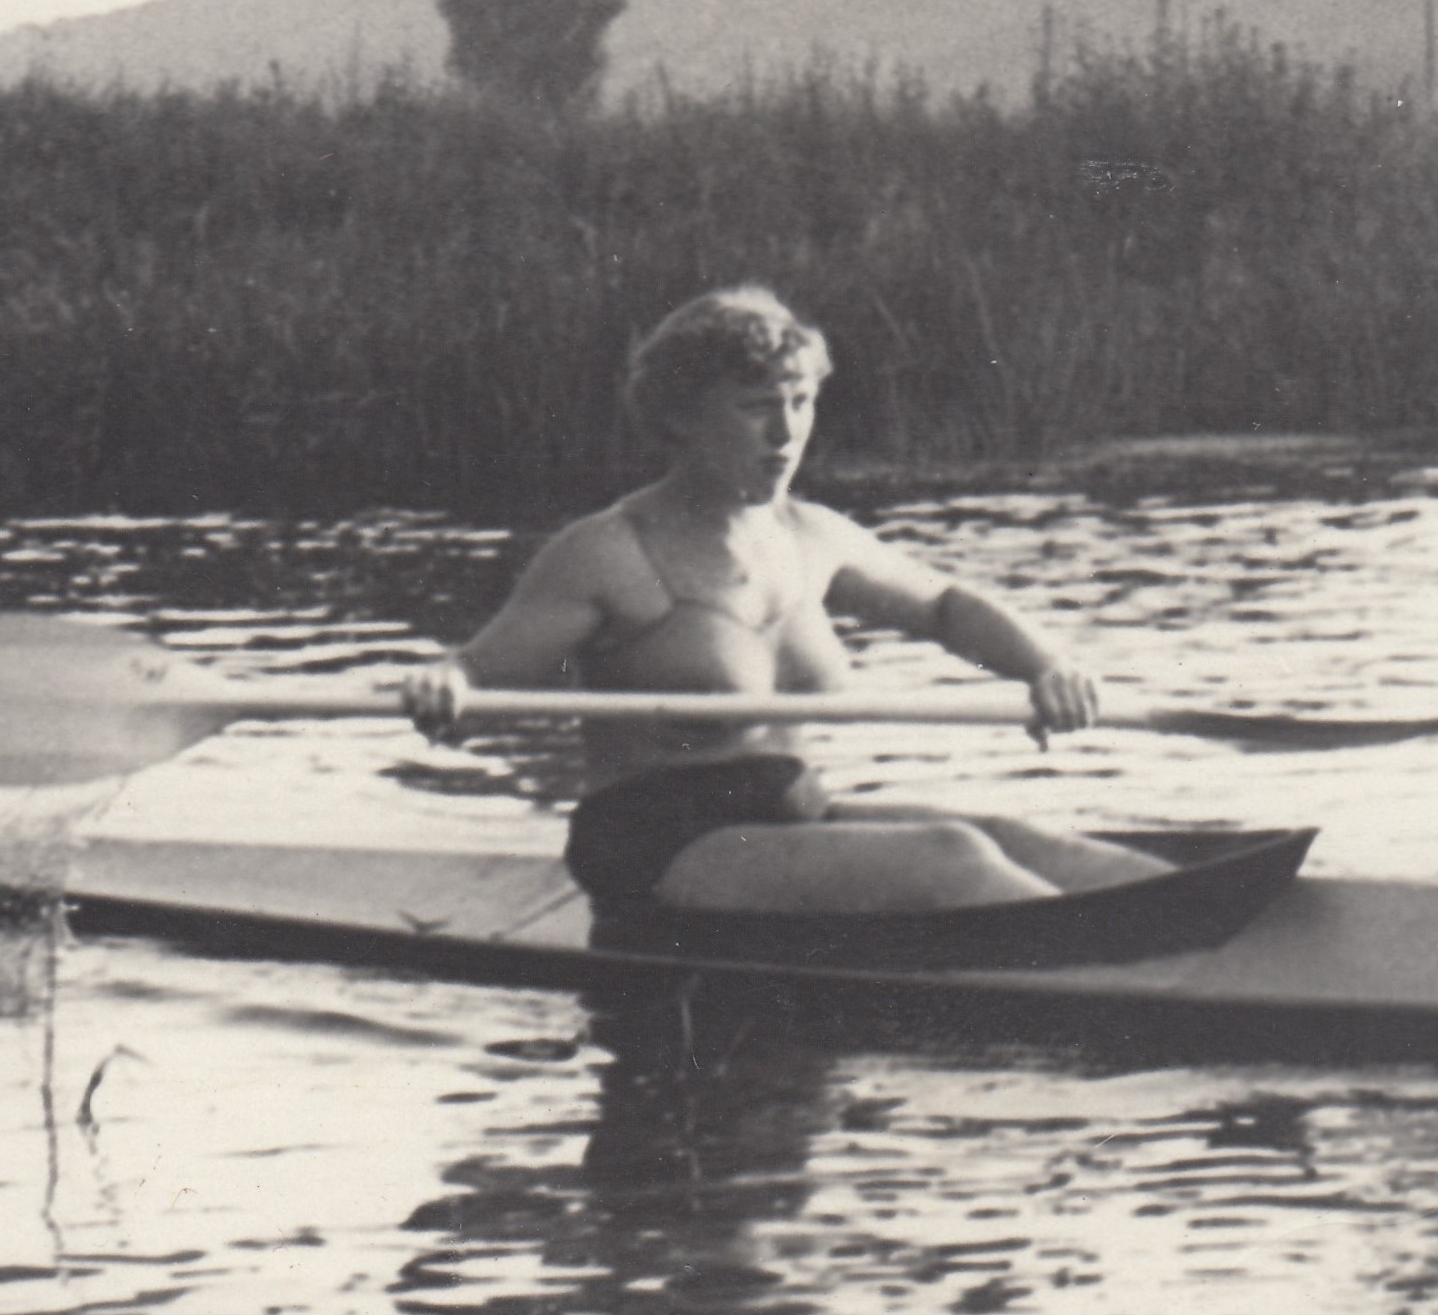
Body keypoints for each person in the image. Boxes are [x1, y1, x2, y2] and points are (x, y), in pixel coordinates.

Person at [402, 286, 1173, 914]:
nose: (785, 432)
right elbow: (479, 671)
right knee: (950, 856)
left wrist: (1046, 666)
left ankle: (1195, 934)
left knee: (1015, 837)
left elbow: (946, 605)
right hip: (658, 847)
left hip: (789, 816)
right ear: (679, 418)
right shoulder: (607, 552)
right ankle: (1127, 970)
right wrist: (446, 681)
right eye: (754, 406)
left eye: (800, 401)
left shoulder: (815, 535)